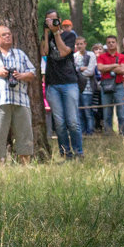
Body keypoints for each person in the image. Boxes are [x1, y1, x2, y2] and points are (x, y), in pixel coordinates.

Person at [0, 25, 37, 166]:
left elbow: (32, 73)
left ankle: (25, 166)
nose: (8, 36)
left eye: (9, 34)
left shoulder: (20, 54)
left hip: (20, 100)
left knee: (24, 134)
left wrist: (21, 75)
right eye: (4, 35)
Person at [40, 9, 83, 160]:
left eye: (54, 19)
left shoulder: (69, 35)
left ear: (59, 20)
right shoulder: (47, 35)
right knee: (59, 123)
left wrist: (56, 32)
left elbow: (64, 52)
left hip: (69, 82)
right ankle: (66, 154)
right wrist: (46, 32)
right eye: (48, 20)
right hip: (53, 84)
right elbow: (44, 53)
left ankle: (79, 153)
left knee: (72, 121)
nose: (52, 22)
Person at [96, 36, 124, 135]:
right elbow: (100, 68)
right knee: (107, 112)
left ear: (116, 43)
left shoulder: (121, 56)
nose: (111, 44)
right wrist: (114, 65)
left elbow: (122, 70)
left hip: (118, 86)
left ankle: (123, 133)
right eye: (109, 42)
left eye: (113, 42)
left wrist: (107, 68)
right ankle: (108, 134)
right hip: (106, 86)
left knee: (121, 112)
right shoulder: (101, 56)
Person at [73, 37, 96, 136]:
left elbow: (91, 71)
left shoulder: (91, 55)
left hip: (88, 88)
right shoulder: (74, 56)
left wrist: (78, 71)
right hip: (76, 88)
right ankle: (81, 132)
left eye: (81, 44)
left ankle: (90, 131)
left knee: (88, 111)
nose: (79, 46)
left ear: (85, 44)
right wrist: (81, 69)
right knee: (78, 112)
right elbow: (72, 71)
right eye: (77, 44)